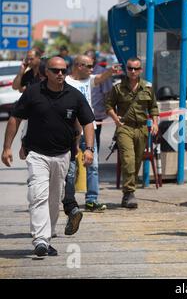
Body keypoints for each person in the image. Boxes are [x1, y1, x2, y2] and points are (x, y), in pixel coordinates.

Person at [1, 56, 95, 257]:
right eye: (55, 70)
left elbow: (87, 122)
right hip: (37, 154)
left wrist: (89, 149)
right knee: (38, 195)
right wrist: (7, 147)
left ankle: (48, 234)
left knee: (54, 198)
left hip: (62, 154)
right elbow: (15, 118)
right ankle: (40, 240)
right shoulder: (33, 92)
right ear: (46, 72)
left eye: (63, 70)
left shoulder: (74, 95)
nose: (60, 74)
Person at [62, 55, 119, 217]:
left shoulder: (88, 80)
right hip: (71, 131)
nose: (91, 69)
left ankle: (91, 199)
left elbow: (101, 78)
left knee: (93, 165)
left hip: (88, 129)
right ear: (79, 66)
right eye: (88, 66)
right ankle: (69, 200)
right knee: (70, 167)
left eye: (92, 66)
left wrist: (111, 71)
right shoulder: (65, 82)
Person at [105, 57, 159, 208]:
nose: (133, 71)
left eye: (136, 68)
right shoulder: (118, 87)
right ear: (126, 69)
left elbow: (153, 107)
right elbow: (108, 105)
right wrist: (116, 119)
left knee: (136, 161)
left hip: (142, 128)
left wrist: (154, 123)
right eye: (130, 68)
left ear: (140, 70)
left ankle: (127, 192)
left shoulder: (147, 87)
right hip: (125, 128)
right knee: (128, 159)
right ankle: (130, 192)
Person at [84, 50, 114, 151]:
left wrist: (108, 109)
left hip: (96, 113)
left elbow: (107, 93)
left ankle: (93, 161)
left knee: (94, 139)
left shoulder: (102, 72)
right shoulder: (82, 72)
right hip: (82, 113)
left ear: (93, 60)